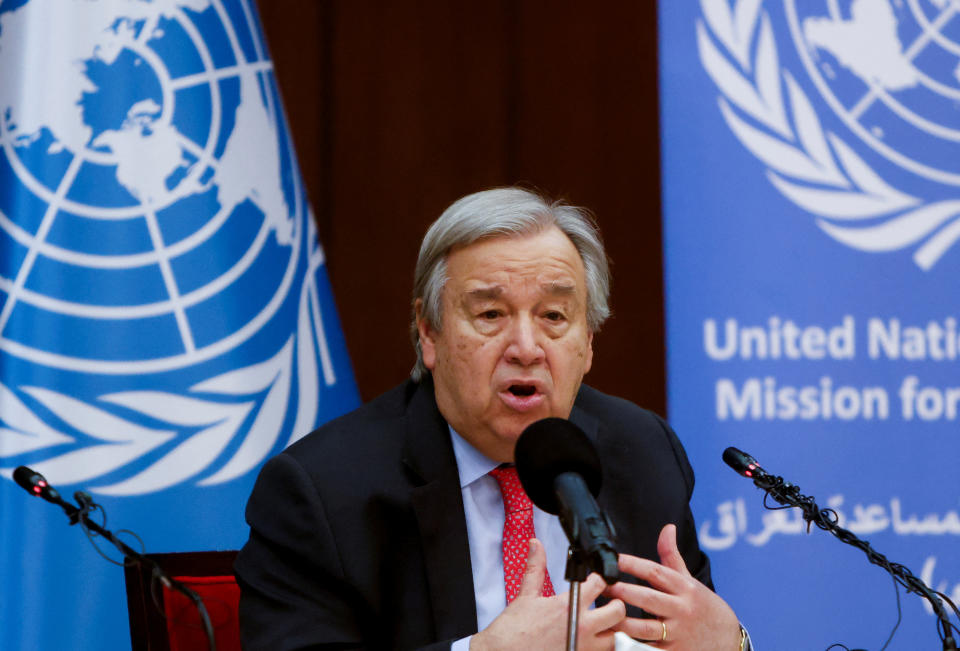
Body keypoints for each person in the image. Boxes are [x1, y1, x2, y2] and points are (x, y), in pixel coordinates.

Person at [235, 187, 750, 650]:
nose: (526, 348)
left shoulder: (644, 452)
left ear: (588, 342)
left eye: (553, 317)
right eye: (490, 315)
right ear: (428, 333)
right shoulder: (320, 492)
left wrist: (733, 645)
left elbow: (690, 632)